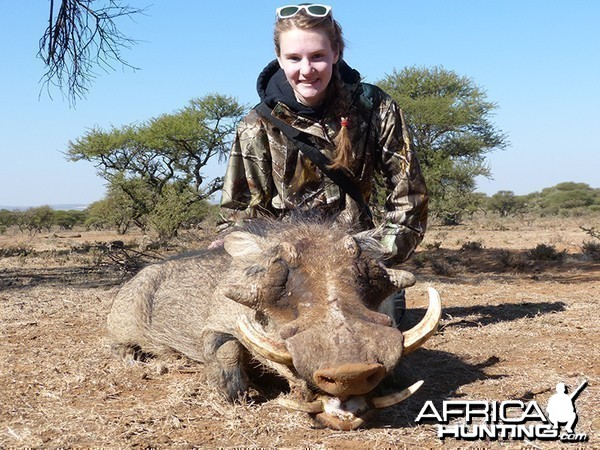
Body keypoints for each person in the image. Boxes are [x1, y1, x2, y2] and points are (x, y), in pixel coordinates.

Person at [219, 3, 428, 326]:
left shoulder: (377, 107)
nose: (306, 70)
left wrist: (376, 259)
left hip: (356, 261)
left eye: (317, 56)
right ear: (279, 58)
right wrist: (254, 257)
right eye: (294, 58)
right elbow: (240, 215)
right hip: (289, 271)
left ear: (336, 53)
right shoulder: (255, 125)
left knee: (374, 345)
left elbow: (409, 198)